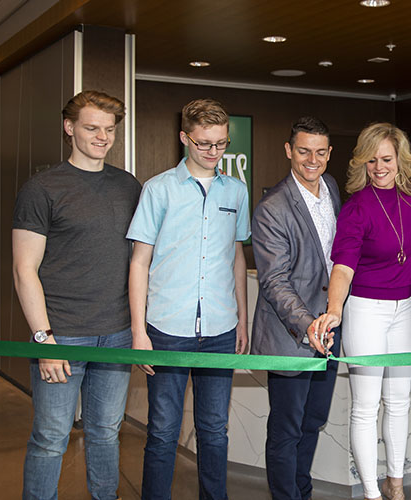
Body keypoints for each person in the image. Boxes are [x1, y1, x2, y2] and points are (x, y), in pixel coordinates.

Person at [13, 90, 141, 500]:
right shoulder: (42, 188)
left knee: (105, 433)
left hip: (117, 333)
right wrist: (42, 338)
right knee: (51, 437)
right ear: (69, 128)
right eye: (91, 127)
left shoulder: (128, 186)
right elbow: (23, 269)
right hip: (62, 335)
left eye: (109, 129)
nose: (102, 137)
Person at [127, 98, 250, 500]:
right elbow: (139, 262)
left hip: (219, 327)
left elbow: (236, 256)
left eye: (221, 144)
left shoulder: (236, 190)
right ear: (184, 138)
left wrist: (242, 322)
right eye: (204, 144)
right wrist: (138, 331)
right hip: (166, 328)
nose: (214, 153)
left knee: (215, 429)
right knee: (163, 429)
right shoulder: (158, 189)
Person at [308, 122, 411, 500]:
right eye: (371, 160)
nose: (379, 167)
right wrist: (335, 310)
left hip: (404, 306)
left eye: (387, 159)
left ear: (400, 160)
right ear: (361, 162)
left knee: (399, 401)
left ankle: (396, 483)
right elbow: (342, 267)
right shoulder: (356, 207)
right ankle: (372, 493)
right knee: (365, 405)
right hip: (365, 310)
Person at [251, 116, 342, 500]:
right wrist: (309, 326)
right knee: (287, 428)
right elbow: (274, 282)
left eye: (320, 152)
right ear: (289, 150)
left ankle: (301, 492)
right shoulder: (272, 207)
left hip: (330, 332)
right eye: (304, 150)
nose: (312, 159)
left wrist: (329, 321)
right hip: (292, 335)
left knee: (313, 421)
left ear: (329, 154)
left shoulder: (333, 188)